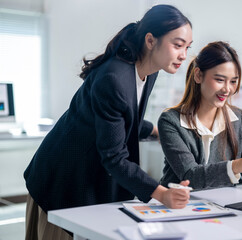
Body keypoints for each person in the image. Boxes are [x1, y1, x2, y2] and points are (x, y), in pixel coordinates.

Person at [23, 5, 193, 240]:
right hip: (62, 178)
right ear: (151, 40)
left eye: (187, 47)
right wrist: (161, 193)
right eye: (178, 44)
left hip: (87, 176)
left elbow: (124, 117)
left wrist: (155, 130)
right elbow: (114, 158)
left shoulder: (149, 70)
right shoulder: (113, 78)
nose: (184, 55)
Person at [158, 41, 242, 190]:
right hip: (179, 206)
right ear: (198, 75)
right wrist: (237, 165)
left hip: (222, 204)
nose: (227, 89)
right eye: (220, 80)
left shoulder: (238, 118)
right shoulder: (171, 121)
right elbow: (190, 176)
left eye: (233, 81)